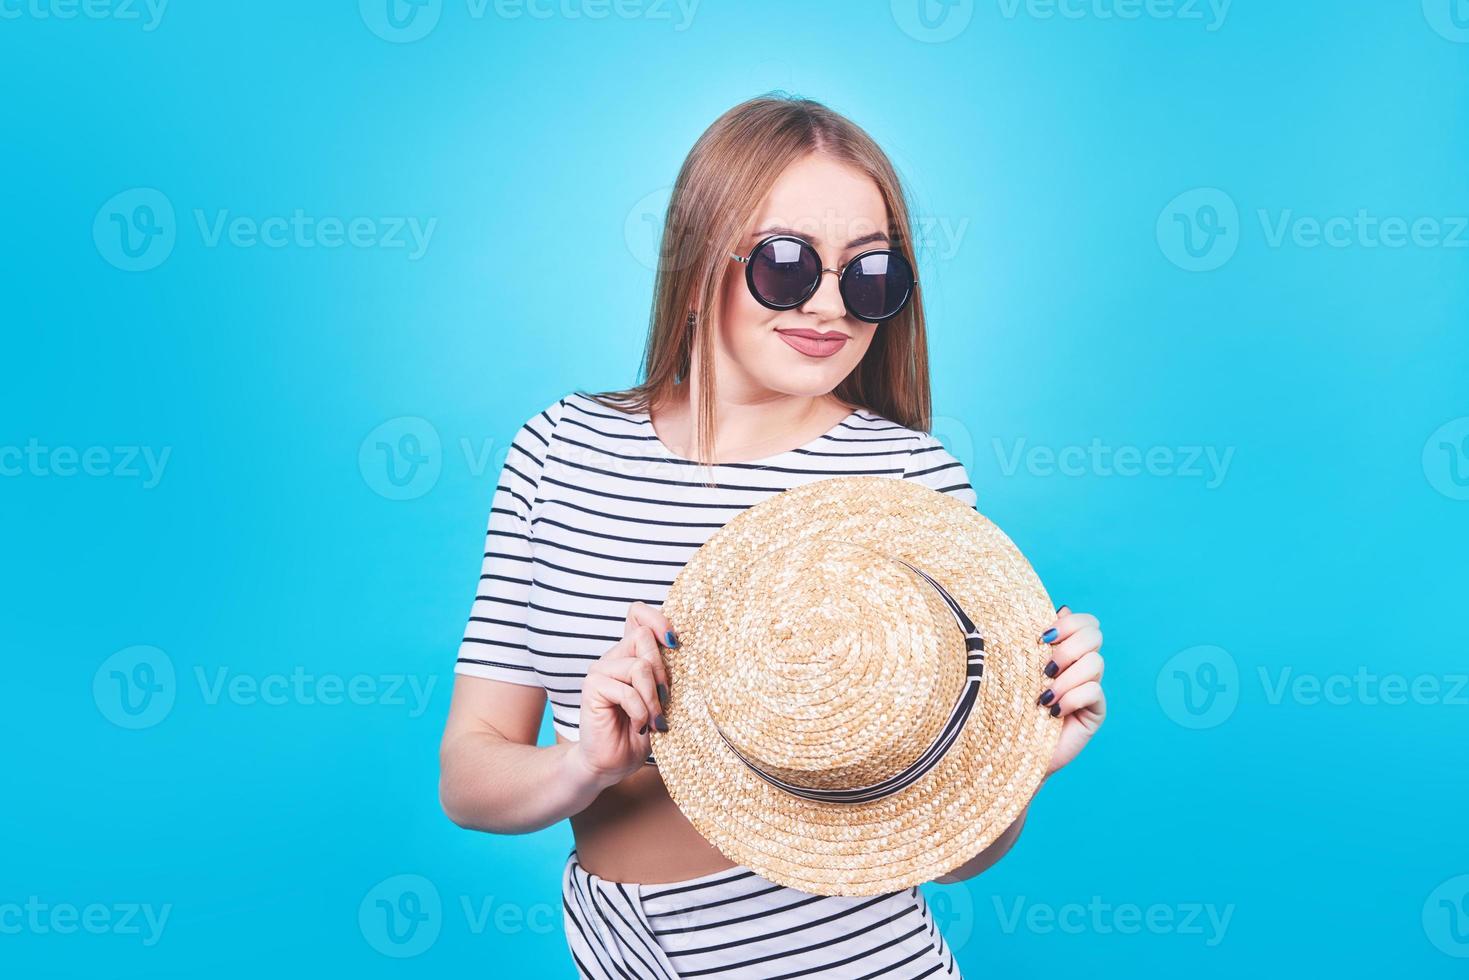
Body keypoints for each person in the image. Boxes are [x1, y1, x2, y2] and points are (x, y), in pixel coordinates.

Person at [438, 93, 1107, 979]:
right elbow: (469, 773)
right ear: (696, 257)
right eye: (787, 265)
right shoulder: (560, 450)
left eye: (870, 277)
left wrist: (1023, 768)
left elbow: (949, 856)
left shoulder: (906, 484)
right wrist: (582, 768)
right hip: (613, 955)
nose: (830, 308)